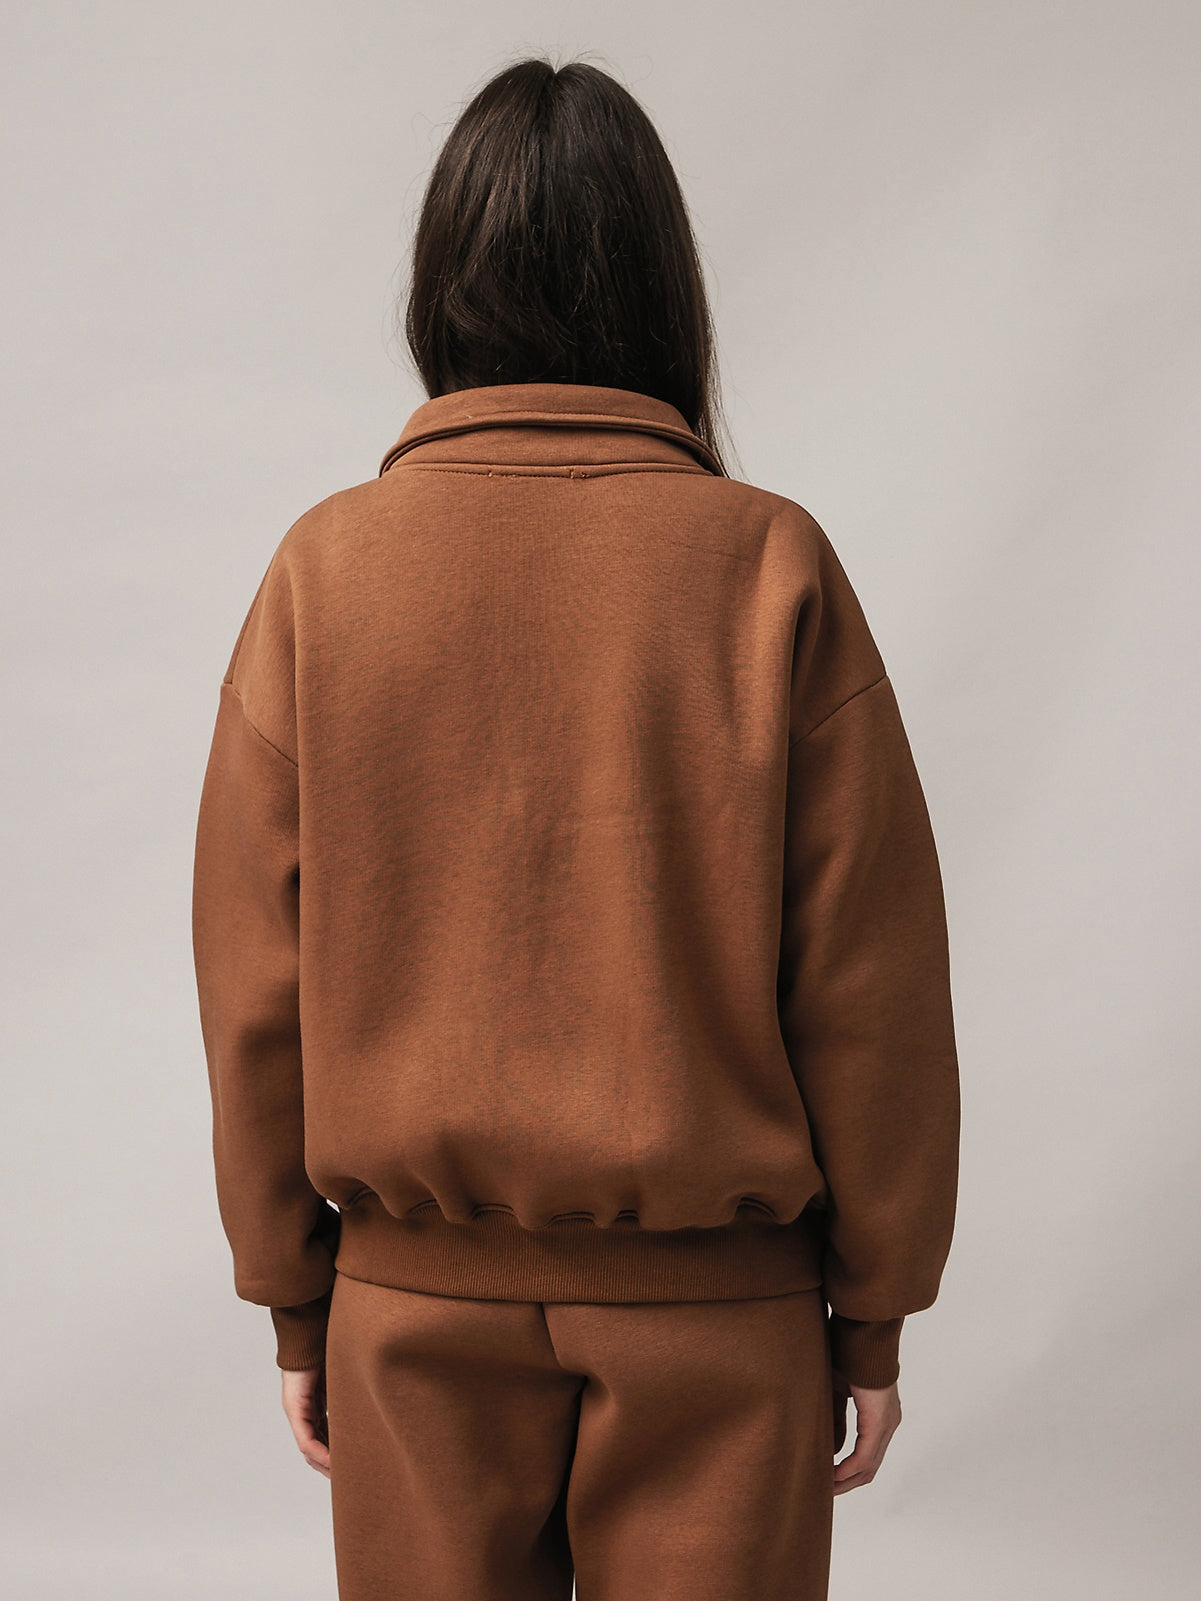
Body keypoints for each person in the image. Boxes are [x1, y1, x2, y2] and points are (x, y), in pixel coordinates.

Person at [191, 53, 960, 1601]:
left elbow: (253, 983)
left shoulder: (323, 573)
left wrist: (295, 1296)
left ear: (438, 290)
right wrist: (872, 1313)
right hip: (721, 1331)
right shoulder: (768, 566)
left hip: (410, 1323)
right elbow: (868, 986)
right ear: (662, 291)